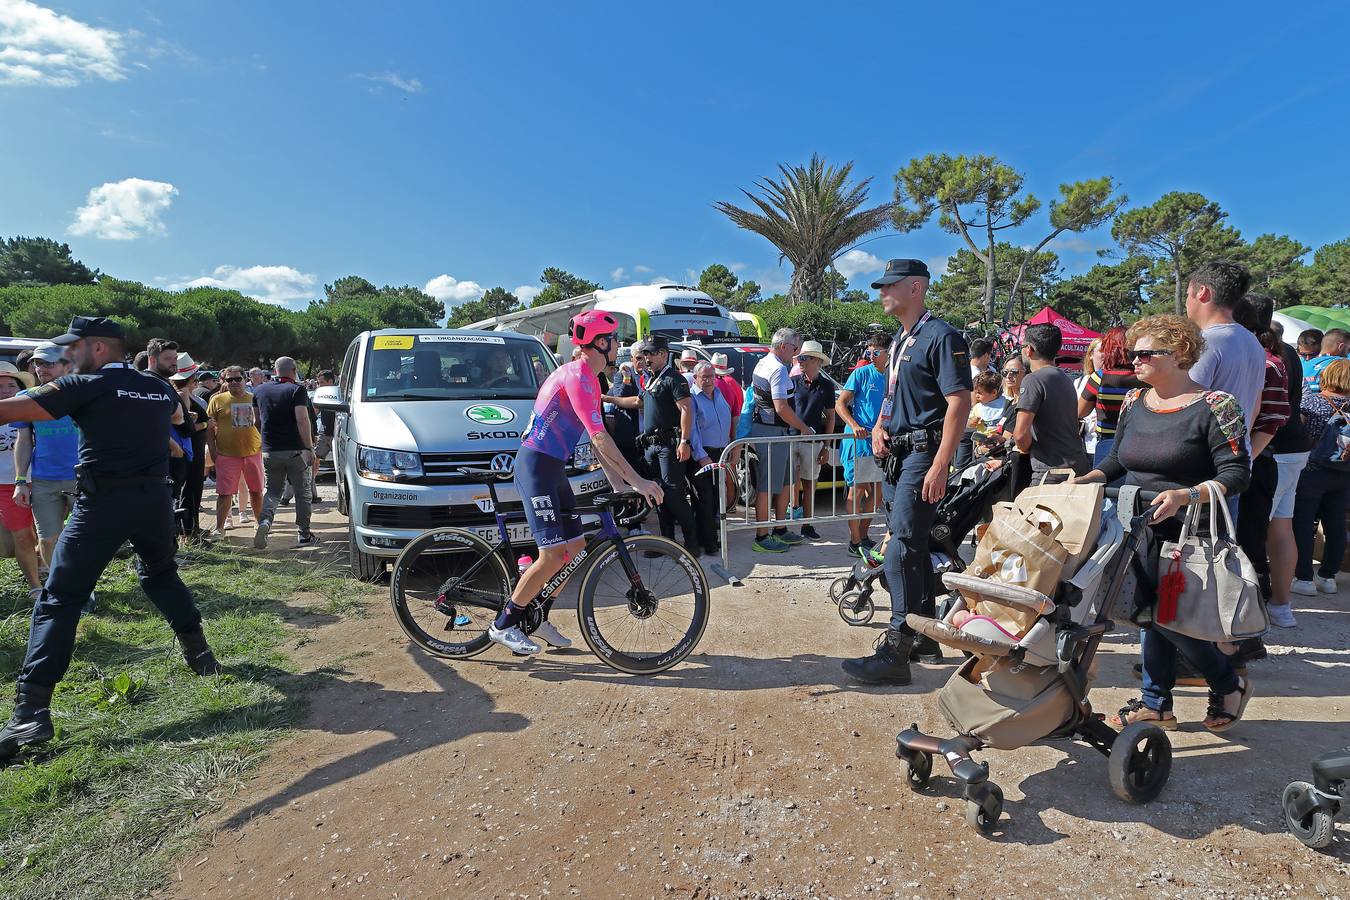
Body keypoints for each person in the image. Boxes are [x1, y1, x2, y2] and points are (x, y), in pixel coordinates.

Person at [0, 317, 222, 763]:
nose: (67, 356)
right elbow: (179, 416)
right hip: (155, 501)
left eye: (73, 348)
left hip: (103, 504)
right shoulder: (157, 388)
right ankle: (201, 656)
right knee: (161, 575)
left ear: (98, 348)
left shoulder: (84, 384)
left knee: (60, 598)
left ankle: (31, 711)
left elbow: (8, 412)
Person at [1073, 315, 1253, 733]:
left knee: (1165, 618)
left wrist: (1184, 496)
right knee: (1145, 615)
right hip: (1134, 524)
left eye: (1145, 353)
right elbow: (1118, 461)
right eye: (1134, 352)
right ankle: (1159, 703)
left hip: (1189, 532)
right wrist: (1086, 480)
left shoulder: (1216, 406)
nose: (1134, 360)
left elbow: (1236, 474)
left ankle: (1223, 682)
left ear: (1179, 355)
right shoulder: (1136, 401)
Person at [488, 311, 663, 655]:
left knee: (575, 549)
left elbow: (594, 441)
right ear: (601, 342)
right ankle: (504, 623)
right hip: (536, 466)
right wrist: (639, 481)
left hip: (553, 467)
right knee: (553, 554)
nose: (619, 347)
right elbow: (600, 439)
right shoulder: (578, 376)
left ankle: (539, 618)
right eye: (615, 340)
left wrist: (618, 483)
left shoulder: (591, 379)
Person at [842, 259, 971, 685]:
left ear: (916, 288)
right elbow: (894, 397)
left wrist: (940, 464)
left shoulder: (941, 335)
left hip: (923, 454)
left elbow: (959, 404)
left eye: (889, 285)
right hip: (898, 454)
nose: (881, 291)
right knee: (911, 549)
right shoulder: (901, 339)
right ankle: (925, 638)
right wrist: (879, 425)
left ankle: (896, 649)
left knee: (898, 546)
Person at [1232, 294, 1292, 623]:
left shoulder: (1265, 361)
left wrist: (1244, 460)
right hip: (1251, 461)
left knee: (1248, 543)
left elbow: (1272, 419)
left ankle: (1248, 626)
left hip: (1251, 462)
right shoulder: (1262, 356)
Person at [12, 345, 79, 581]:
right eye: (38, 363)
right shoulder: (26, 398)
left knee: (82, 537)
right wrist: (20, 481)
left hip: (81, 476)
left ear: (66, 365)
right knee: (48, 539)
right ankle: (60, 584)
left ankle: (84, 587)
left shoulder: (83, 395)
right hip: (43, 479)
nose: (41, 369)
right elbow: (24, 441)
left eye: (48, 364)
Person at [1185, 261, 1265, 446]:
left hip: (1203, 459)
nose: (1187, 302)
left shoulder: (1206, 342)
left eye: (1188, 294)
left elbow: (1188, 403)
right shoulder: (1253, 342)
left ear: (1202, 292)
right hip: (1236, 456)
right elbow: (1255, 407)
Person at [749, 328, 814, 554]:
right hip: (772, 432)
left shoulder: (764, 363)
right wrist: (803, 427)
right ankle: (762, 535)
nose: (796, 355)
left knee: (786, 482)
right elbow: (781, 407)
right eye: (795, 349)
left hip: (775, 432)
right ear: (784, 346)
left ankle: (780, 528)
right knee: (767, 486)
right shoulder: (777, 369)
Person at [1265, 320, 1313, 628]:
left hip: (1274, 449)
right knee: (1282, 524)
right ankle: (1281, 606)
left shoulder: (1269, 358)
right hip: (1294, 447)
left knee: (1258, 527)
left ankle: (1261, 607)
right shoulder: (1292, 355)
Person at [636, 335, 701, 554]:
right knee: (658, 494)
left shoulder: (674, 378)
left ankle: (692, 543)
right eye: (645, 353)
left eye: (651, 353)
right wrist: (608, 399)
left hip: (668, 445)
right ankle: (667, 543)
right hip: (651, 446)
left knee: (673, 495)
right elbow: (638, 402)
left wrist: (685, 441)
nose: (646, 357)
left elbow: (686, 409)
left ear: (664, 354)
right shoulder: (650, 377)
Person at [1292, 358, 1350, 599]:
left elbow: (1299, 434)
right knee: (1336, 525)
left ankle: (1304, 577)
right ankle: (1328, 576)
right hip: (1344, 474)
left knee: (1303, 525)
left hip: (1311, 471)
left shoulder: (1310, 402)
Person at [251, 356, 316, 548]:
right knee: (302, 493)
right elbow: (302, 420)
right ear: (294, 370)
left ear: (274, 371)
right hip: (295, 450)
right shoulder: (297, 389)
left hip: (270, 450)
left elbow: (256, 422)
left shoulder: (259, 390)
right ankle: (304, 535)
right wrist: (309, 447)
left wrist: (267, 442)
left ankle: (264, 522)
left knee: (272, 491)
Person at [836, 334, 889, 557]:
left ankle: (864, 537)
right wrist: (854, 425)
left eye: (876, 352)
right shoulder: (861, 373)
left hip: (880, 441)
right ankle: (854, 540)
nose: (872, 356)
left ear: (888, 353)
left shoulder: (894, 376)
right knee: (856, 491)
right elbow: (840, 404)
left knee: (877, 494)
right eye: (869, 352)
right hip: (858, 441)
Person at [1014, 323, 1089, 482]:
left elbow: (1020, 435)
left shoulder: (1033, 380)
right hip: (1077, 467)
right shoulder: (1065, 378)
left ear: (1029, 350)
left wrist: (1023, 447)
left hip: (1050, 471)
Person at [0, 362, 42, 599]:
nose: (5, 390)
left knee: (36, 534)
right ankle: (36, 579)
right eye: (0, 387)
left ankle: (39, 577)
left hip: (39, 480)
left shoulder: (33, 412)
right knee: (17, 539)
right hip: (5, 484)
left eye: (10, 385)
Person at [206, 366, 265, 534]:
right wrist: (213, 450)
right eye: (229, 379)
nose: (233, 382)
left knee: (256, 491)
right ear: (224, 382)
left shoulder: (255, 398)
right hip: (226, 454)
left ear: (245, 380)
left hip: (253, 452)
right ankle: (219, 528)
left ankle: (259, 524)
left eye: (237, 379)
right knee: (225, 494)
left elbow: (263, 423)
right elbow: (210, 428)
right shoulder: (217, 400)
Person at [789, 340, 836, 541]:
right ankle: (785, 525)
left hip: (813, 442)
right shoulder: (792, 382)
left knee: (810, 484)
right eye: (799, 357)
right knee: (787, 483)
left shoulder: (827, 385)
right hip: (789, 439)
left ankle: (807, 524)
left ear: (816, 361)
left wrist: (826, 446)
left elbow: (831, 416)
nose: (800, 361)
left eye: (804, 358)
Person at [1077, 326, 1143, 467]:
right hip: (1138, 443)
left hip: (1107, 444)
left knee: (1105, 484)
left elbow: (1080, 412)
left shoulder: (1099, 377)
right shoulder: (1144, 377)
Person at [689, 362, 732, 555]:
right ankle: (709, 543)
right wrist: (701, 456)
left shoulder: (718, 393)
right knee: (704, 499)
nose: (708, 380)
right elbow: (691, 430)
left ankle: (707, 538)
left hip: (719, 451)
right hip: (703, 454)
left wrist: (729, 446)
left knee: (715, 498)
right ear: (695, 377)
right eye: (704, 377)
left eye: (711, 376)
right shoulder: (692, 398)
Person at [170, 353, 210, 543]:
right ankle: (189, 533)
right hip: (189, 450)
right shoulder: (182, 395)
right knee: (190, 491)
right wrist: (204, 424)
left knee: (190, 491)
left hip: (190, 450)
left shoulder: (182, 394)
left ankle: (190, 530)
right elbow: (186, 427)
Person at [710, 353, 743, 506]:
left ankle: (721, 508)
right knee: (730, 471)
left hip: (718, 437)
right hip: (733, 433)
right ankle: (730, 504)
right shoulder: (732, 384)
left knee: (717, 475)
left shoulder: (713, 386)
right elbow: (736, 413)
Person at [1302, 329, 1349, 394]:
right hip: (1330, 402)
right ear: (1341, 346)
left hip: (1305, 402)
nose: (1348, 352)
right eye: (1348, 349)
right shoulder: (1342, 364)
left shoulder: (1304, 364)